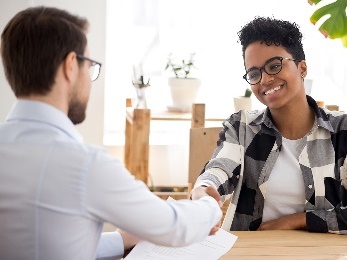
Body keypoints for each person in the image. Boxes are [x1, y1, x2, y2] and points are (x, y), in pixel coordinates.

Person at [0, 6, 223, 260]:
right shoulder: (84, 164)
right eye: (90, 66)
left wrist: (119, 240)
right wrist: (208, 204)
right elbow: (174, 226)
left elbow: (51, 244)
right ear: (70, 65)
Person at [191, 16, 347, 234]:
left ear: (302, 68)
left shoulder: (342, 130)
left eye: (274, 66)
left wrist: (297, 220)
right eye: (254, 73)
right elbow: (220, 168)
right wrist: (203, 189)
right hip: (252, 252)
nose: (264, 80)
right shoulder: (242, 127)